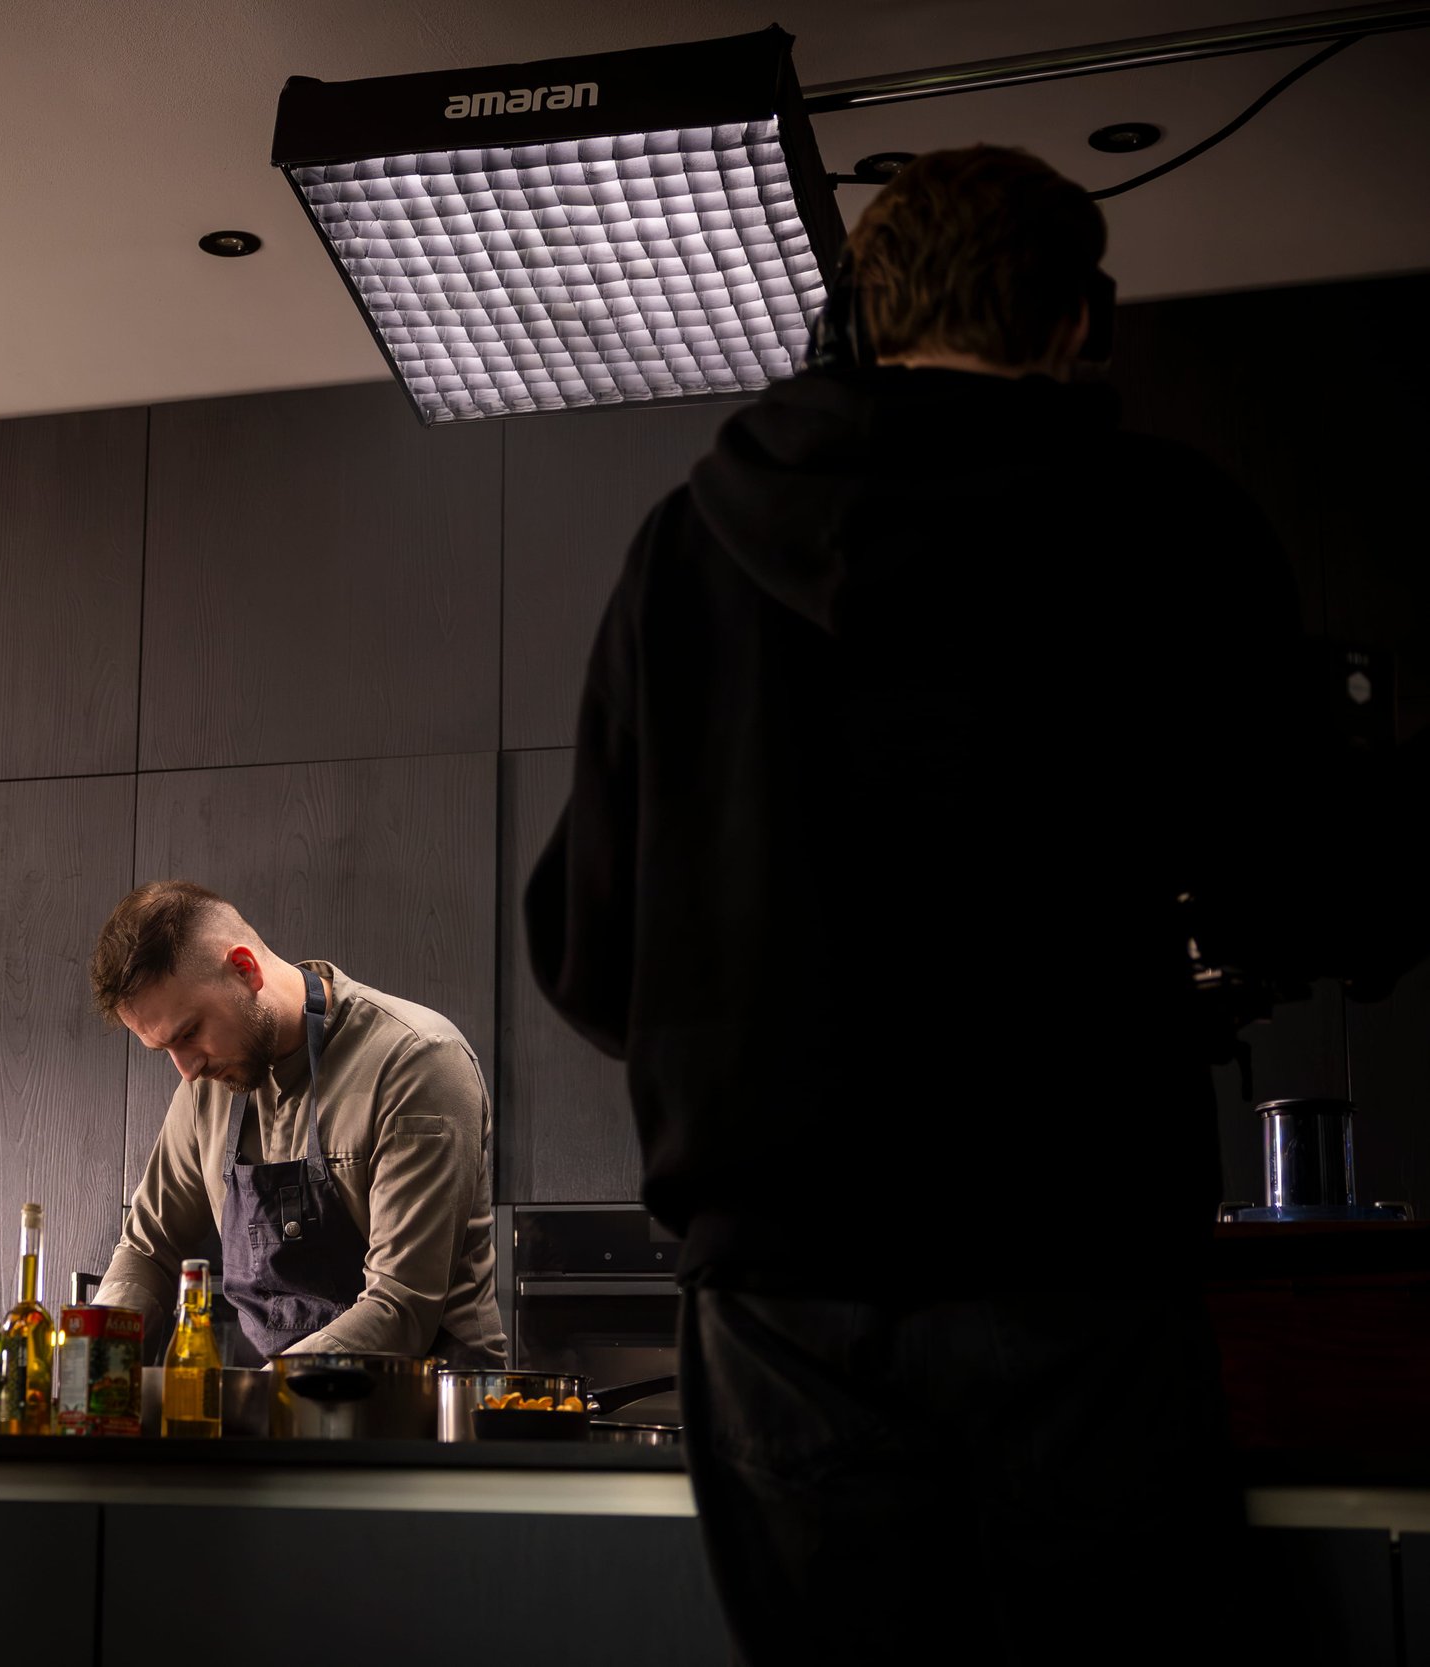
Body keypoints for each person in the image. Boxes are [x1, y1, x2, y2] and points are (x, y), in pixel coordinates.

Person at [524, 145, 1418, 1662]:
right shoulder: (1162, 522)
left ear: (862, 318)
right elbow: (1305, 885)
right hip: (1068, 1251)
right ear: (1080, 321)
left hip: (776, 1286)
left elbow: (583, 943)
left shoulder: (684, 550)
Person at [91, 880, 506, 1367]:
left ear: (244, 969)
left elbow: (402, 1306)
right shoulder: (207, 1085)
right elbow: (148, 1248)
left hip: (424, 1420)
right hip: (280, 1420)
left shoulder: (416, 1063)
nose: (186, 1069)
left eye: (189, 1033)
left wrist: (261, 1394)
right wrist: (98, 1361)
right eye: (165, 1049)